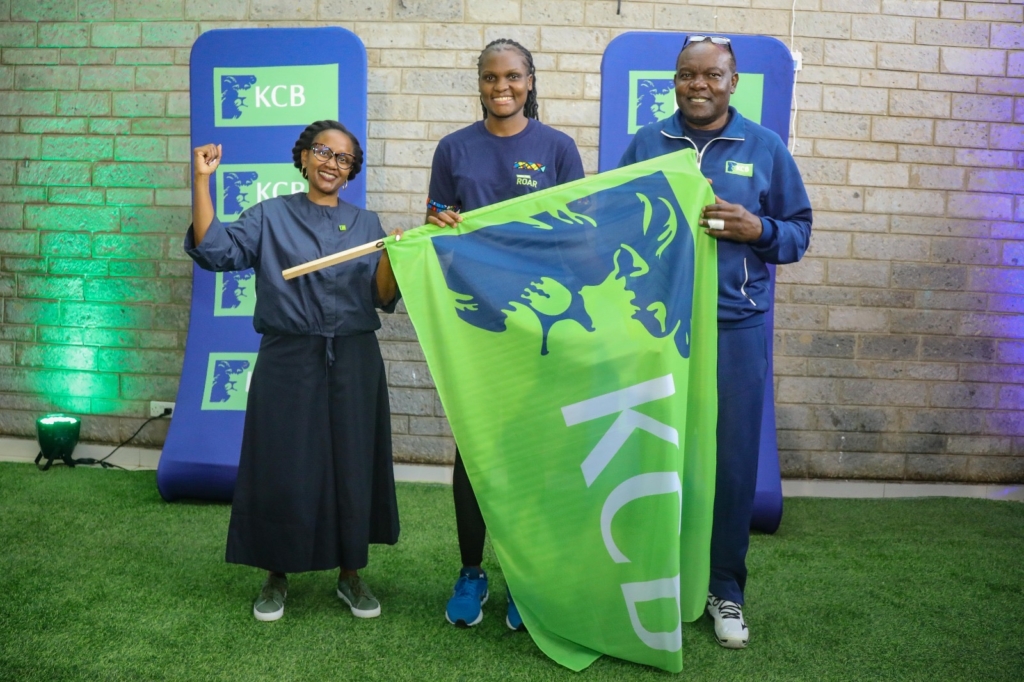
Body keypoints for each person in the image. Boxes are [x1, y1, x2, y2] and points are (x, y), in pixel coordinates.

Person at [619, 35, 813, 649]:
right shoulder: (648, 144)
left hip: (736, 327)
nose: (697, 85)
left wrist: (760, 228)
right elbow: (614, 224)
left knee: (730, 465)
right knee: (658, 456)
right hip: (659, 329)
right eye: (686, 75)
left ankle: (725, 589)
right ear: (674, 81)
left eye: (711, 75)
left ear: (733, 82)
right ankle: (658, 576)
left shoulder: (764, 147)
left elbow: (799, 233)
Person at [186, 120, 402, 622]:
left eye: (344, 158)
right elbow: (215, 250)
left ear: (351, 172)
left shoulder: (367, 224)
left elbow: (383, 297)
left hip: (353, 358)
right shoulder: (270, 216)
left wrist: (392, 254)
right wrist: (201, 181)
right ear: (303, 157)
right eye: (323, 152)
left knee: (352, 463)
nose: (332, 163)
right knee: (281, 464)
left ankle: (350, 574)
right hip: (288, 357)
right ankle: (275, 574)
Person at [426, 38, 586, 630]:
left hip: (542, 324)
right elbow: (434, 238)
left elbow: (577, 239)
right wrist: (440, 226)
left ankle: (526, 573)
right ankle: (473, 571)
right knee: (475, 452)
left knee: (538, 452)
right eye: (491, 76)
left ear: (530, 80)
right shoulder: (453, 149)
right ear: (479, 82)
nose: (502, 86)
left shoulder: (558, 149)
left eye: (513, 76)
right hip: (478, 325)